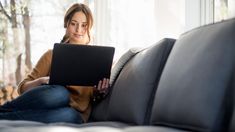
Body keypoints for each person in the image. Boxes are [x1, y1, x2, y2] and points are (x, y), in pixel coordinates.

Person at [0, 3, 109, 124]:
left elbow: (92, 100)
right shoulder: (51, 55)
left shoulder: (95, 59)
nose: (79, 30)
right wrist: (42, 81)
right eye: (74, 24)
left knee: (70, 115)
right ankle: (4, 110)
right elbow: (22, 88)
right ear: (66, 24)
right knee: (61, 93)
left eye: (84, 25)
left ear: (89, 28)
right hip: (51, 100)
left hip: (74, 113)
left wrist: (99, 92)